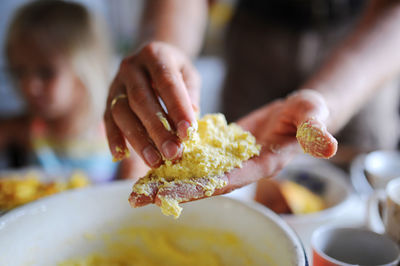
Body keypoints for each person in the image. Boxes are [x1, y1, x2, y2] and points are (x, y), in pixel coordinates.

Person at [104, 0, 400, 202]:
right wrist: (165, 54)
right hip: (256, 30)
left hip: (367, 36)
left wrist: (329, 101)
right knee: (240, 187)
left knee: (362, 184)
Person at [0, 0, 133, 182]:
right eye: (19, 72)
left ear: (85, 71)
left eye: (46, 73)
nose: (29, 86)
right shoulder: (27, 128)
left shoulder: (119, 132)